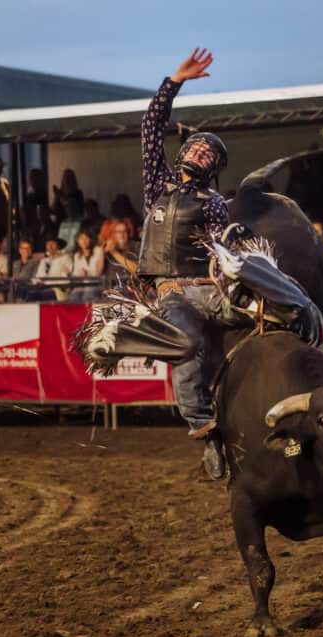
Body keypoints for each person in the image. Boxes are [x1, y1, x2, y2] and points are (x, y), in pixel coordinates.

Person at [139, 48, 232, 479]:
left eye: (208, 153)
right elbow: (150, 127)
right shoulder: (156, 184)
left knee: (269, 310)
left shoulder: (215, 204)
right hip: (172, 293)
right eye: (195, 147)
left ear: (213, 170)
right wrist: (173, 81)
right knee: (187, 343)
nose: (199, 153)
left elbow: (223, 248)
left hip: (211, 289)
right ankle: (203, 427)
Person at [33, 236, 73, 301]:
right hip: (43, 287)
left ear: (58, 246)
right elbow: (39, 276)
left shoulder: (65, 258)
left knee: (43, 294)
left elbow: (65, 277)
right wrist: (37, 283)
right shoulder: (44, 260)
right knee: (31, 293)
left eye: (53, 243)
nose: (50, 246)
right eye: (48, 244)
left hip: (57, 289)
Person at [70, 230, 105, 303]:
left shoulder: (98, 250)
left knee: (88, 295)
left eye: (86, 238)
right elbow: (75, 274)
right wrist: (80, 274)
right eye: (81, 239)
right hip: (82, 284)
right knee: (74, 295)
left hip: (96, 283)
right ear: (77, 241)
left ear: (90, 239)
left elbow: (99, 272)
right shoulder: (77, 255)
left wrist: (87, 273)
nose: (83, 241)